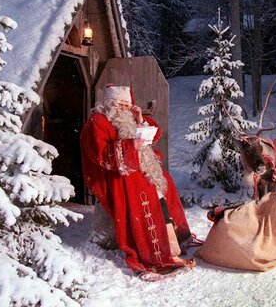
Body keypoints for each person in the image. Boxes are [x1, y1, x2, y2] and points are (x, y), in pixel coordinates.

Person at [80, 85, 196, 280]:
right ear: (109, 103)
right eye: (119, 104)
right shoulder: (97, 121)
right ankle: (155, 253)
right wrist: (130, 146)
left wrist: (140, 119)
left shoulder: (129, 120)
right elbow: (101, 155)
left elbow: (154, 134)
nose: (124, 108)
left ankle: (174, 240)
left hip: (138, 168)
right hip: (113, 174)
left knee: (165, 182)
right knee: (145, 194)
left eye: (127, 104)